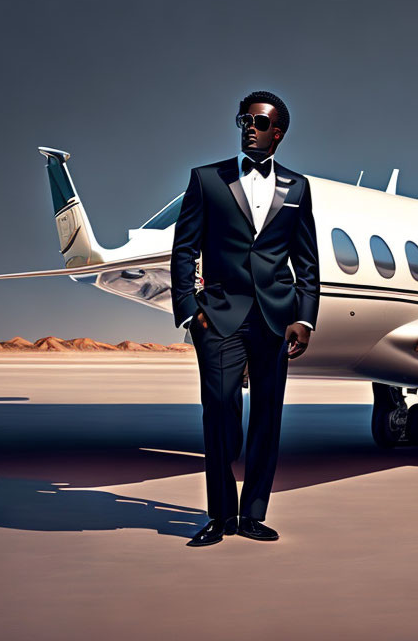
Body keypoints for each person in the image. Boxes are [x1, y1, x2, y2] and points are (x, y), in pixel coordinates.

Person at [170, 90, 319, 546]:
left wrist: (304, 317)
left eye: (259, 121)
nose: (249, 127)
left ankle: (252, 513)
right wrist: (189, 311)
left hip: (275, 319)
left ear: (279, 132)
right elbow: (184, 249)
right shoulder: (206, 179)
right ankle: (220, 516)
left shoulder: (298, 187)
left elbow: (307, 260)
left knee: (268, 417)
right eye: (244, 119)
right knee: (218, 409)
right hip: (218, 316)